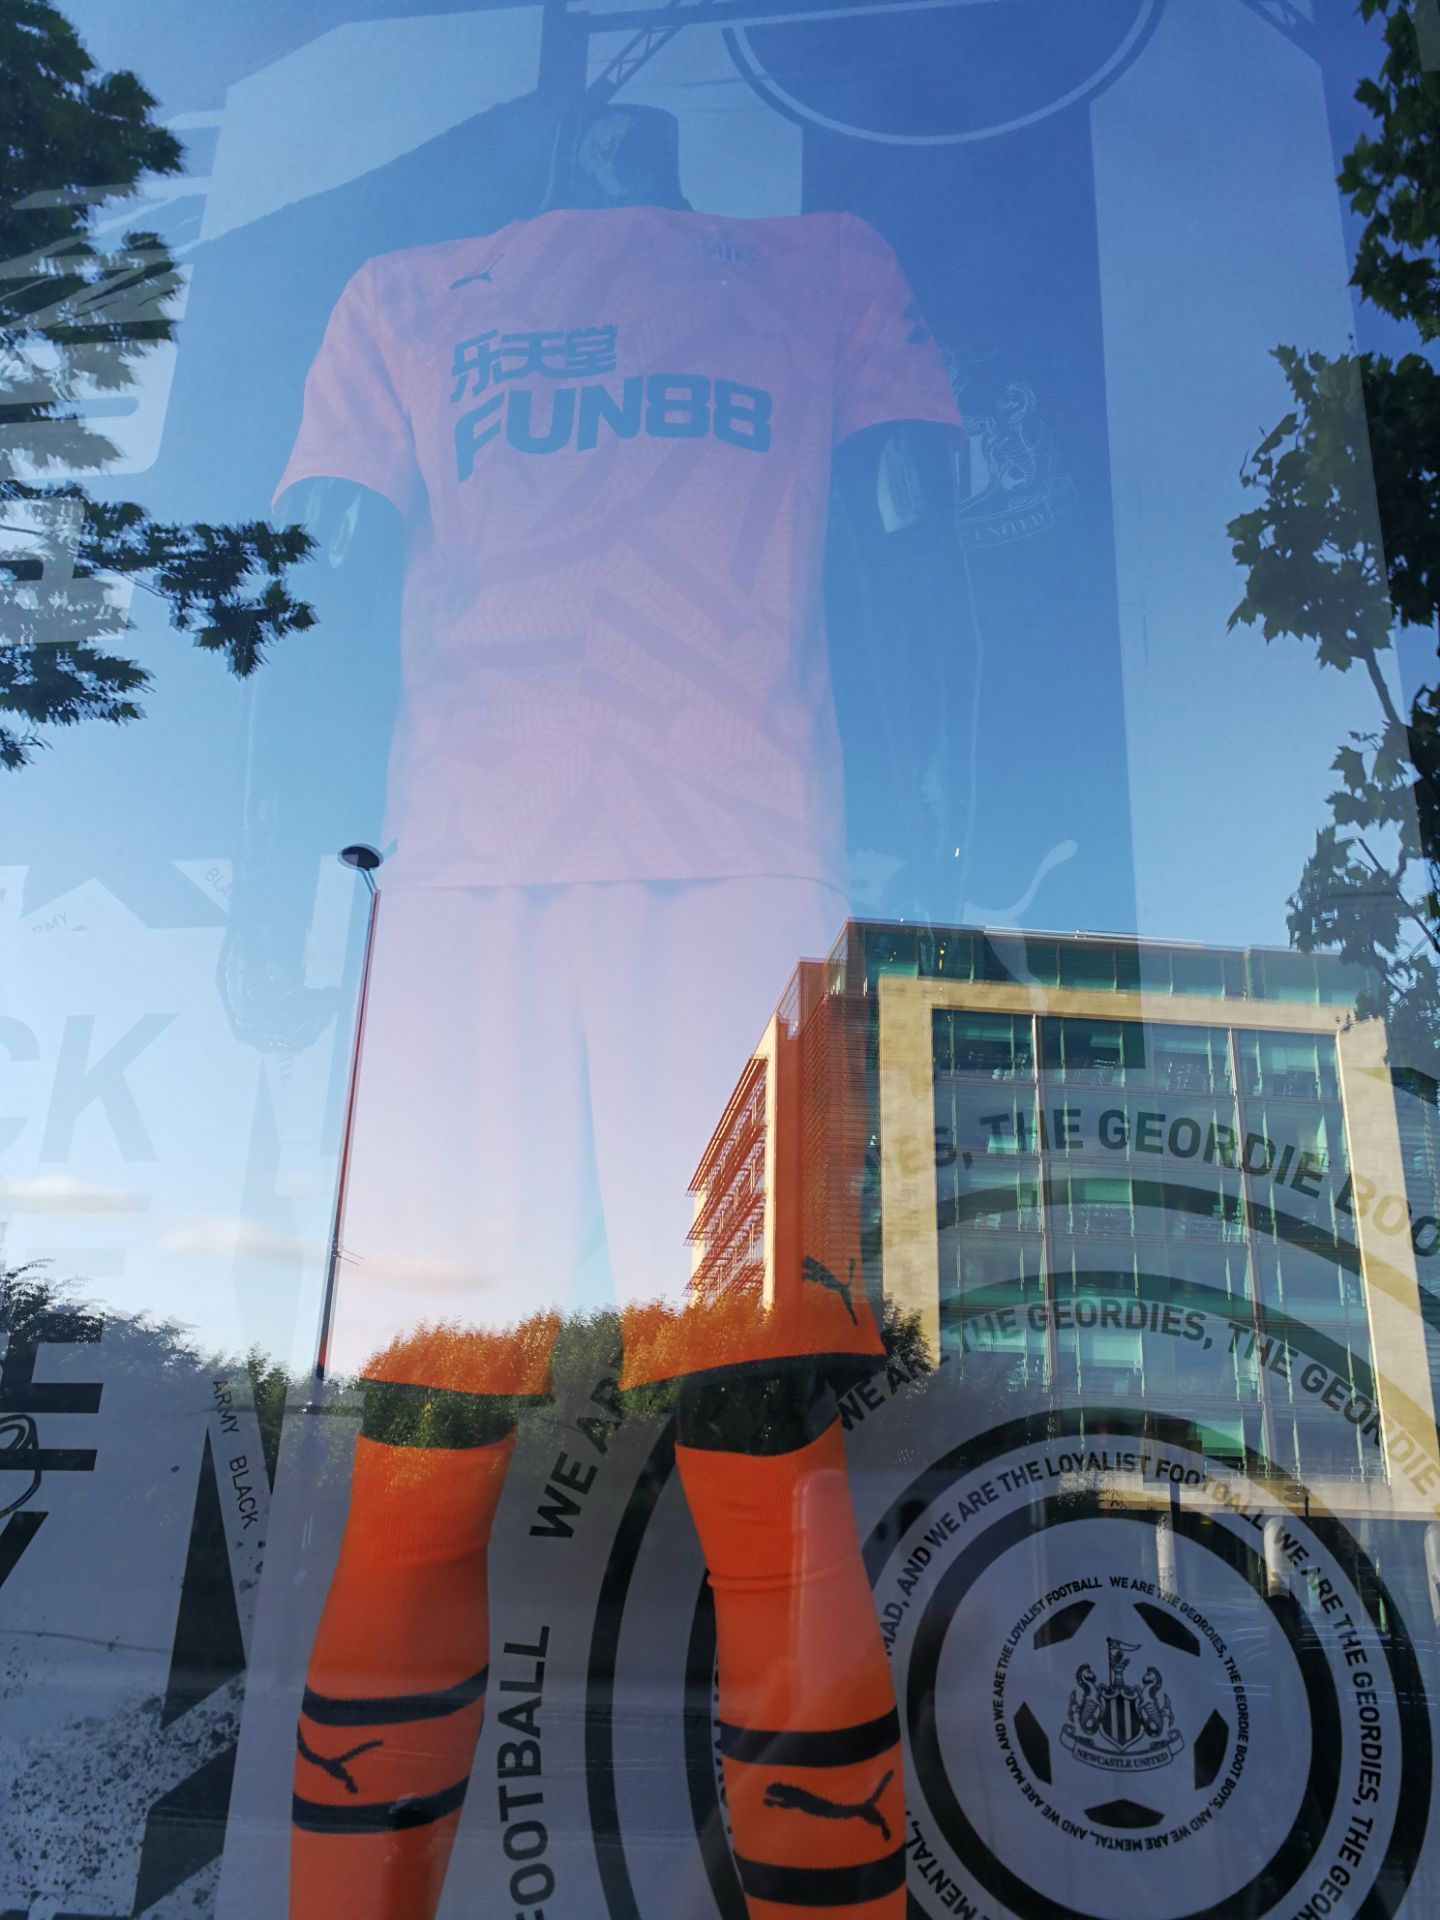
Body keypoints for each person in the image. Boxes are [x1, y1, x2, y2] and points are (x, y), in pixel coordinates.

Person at [225, 98, 965, 1920]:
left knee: (659, 1466)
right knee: (667, 1478)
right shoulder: (450, 295)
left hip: (615, 905)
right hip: (603, 902)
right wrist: (950, 854)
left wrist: (264, 894)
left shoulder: (796, 270)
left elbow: (299, 601)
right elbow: (923, 555)